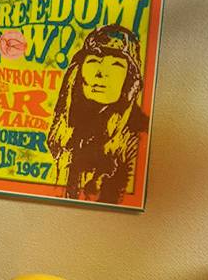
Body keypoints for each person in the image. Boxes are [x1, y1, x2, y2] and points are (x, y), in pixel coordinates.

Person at [47, 24, 148, 204]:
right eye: (93, 61)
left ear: (129, 78)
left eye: (116, 64)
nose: (101, 74)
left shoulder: (139, 140)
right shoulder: (67, 131)